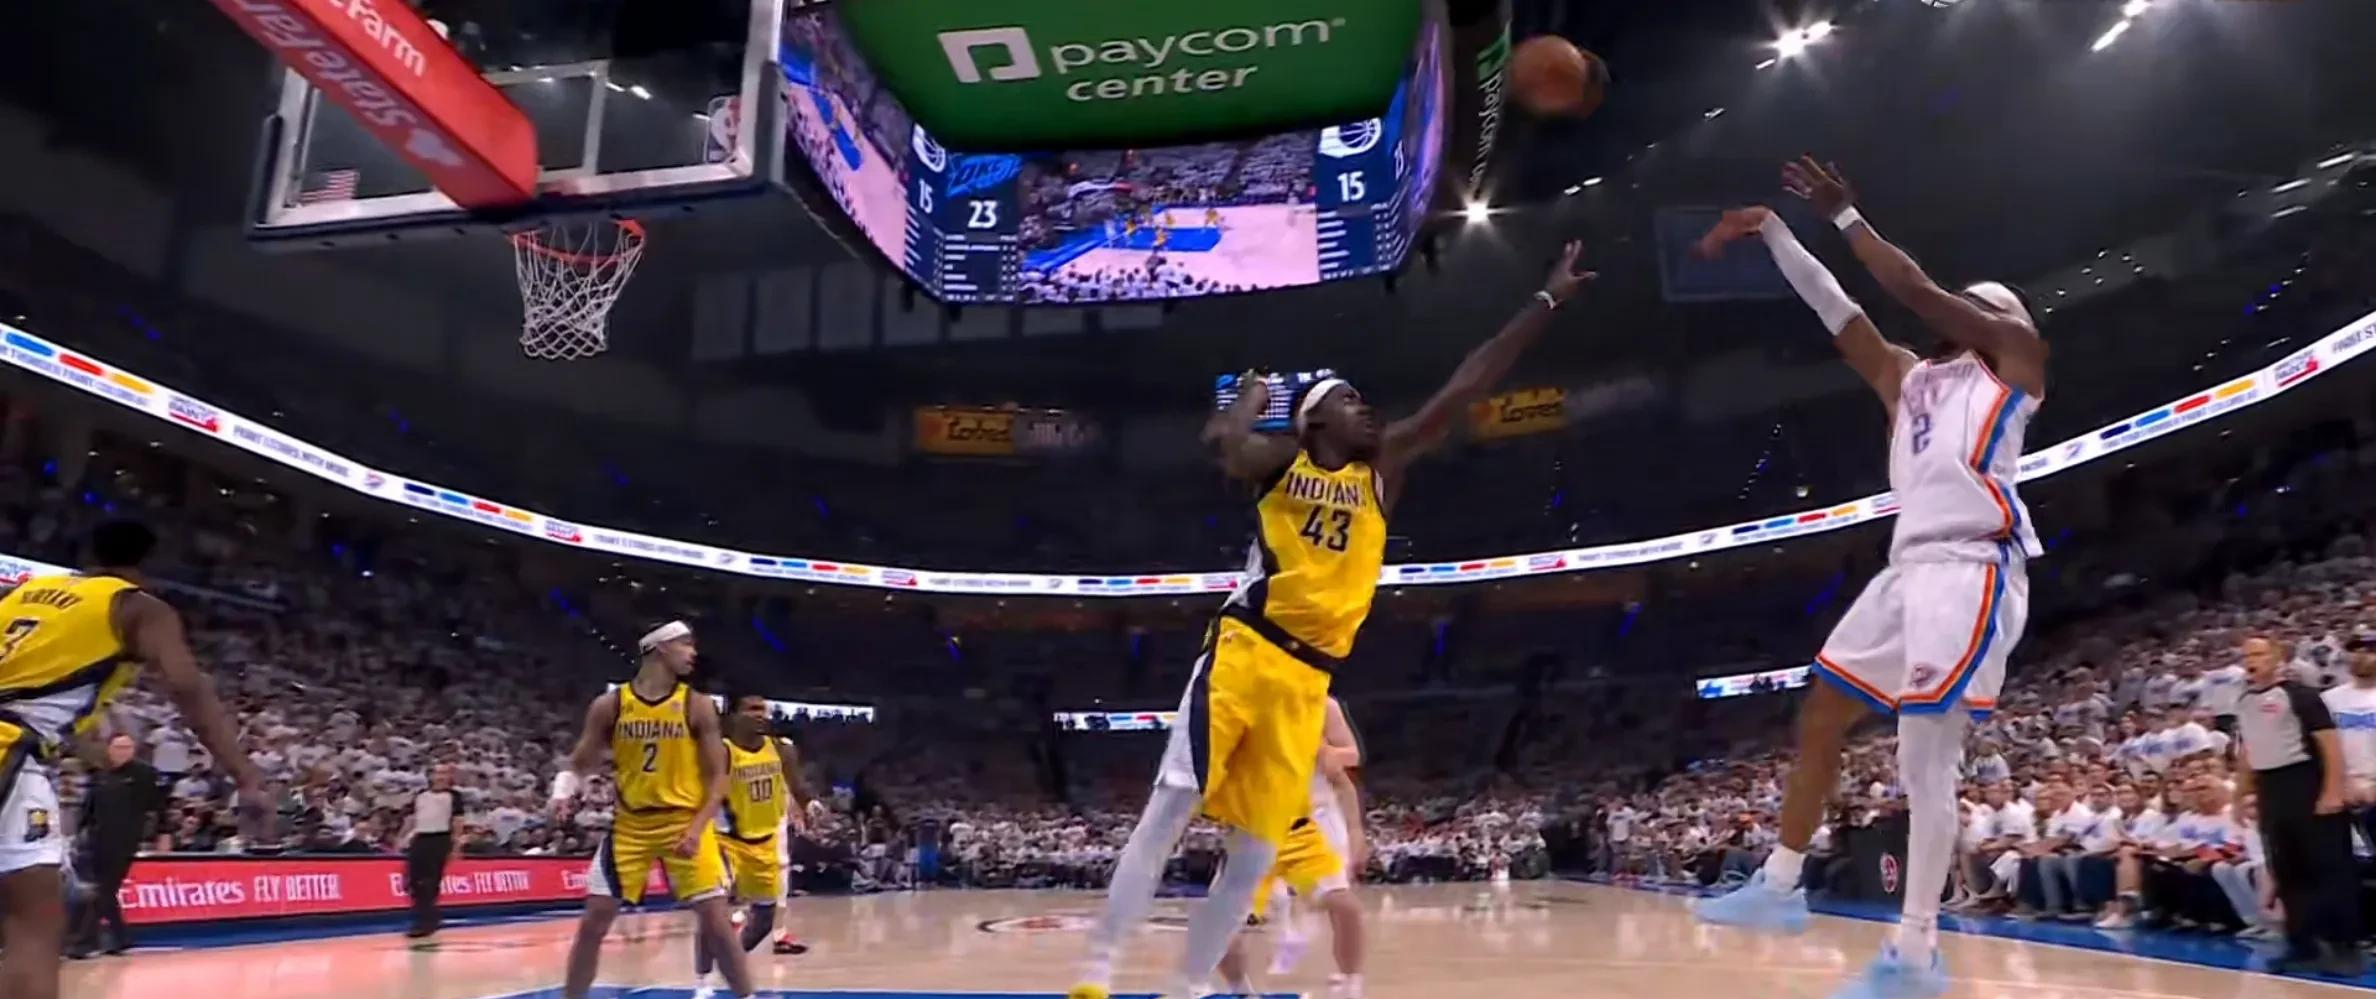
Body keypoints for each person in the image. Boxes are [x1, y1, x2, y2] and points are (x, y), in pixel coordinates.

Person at [1068, 242, 1598, 999]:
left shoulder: (1382, 471)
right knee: (1172, 806)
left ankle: (1185, 989)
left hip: (1307, 683)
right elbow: (1221, 443)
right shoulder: (1282, 464)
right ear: (1315, 421)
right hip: (1247, 652)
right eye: (1349, 400)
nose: (1366, 408)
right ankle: (1096, 973)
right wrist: (1249, 398)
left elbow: (1466, 386)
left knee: (1255, 856)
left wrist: (1544, 302)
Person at [1691, 157, 2049, 999]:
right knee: (1822, 709)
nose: (1965, 315)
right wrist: (1773, 231)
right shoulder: (1908, 379)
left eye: (1981, 308)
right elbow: (1836, 309)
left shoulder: (2017, 361)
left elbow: (1917, 290)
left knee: (1925, 754)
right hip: (1906, 570)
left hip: (1972, 565)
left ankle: (1916, 953)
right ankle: (1780, 884)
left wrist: (1846, 216)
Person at [0, 520, 263, 999]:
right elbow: (187, 687)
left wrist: (87, 750)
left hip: (23, 740)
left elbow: (34, 687)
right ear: (145, 566)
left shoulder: (24, 594)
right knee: (34, 923)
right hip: (9, 749)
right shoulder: (137, 607)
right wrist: (245, 776)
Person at [549, 621, 753, 999]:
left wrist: (697, 828)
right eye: (685, 644)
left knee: (716, 921)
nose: (693, 653)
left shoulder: (697, 705)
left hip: (684, 820)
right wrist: (563, 791)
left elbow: (719, 779)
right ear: (660, 648)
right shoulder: (610, 705)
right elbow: (579, 762)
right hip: (630, 825)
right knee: (593, 922)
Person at [1215, 697, 1368, 999]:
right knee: (1220, 923)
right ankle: (1241, 989)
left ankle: (1350, 981)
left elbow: (1347, 769)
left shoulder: (1315, 713)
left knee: (1341, 904)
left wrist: (1355, 831)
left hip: (1310, 825)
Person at [2235, 633, 2363, 976]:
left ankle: (2345, 946)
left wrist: (2332, 790)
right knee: (2288, 870)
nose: (2251, 660)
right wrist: (2240, 794)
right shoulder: (2244, 700)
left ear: (2277, 657)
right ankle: (2302, 944)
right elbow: (2248, 750)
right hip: (2271, 788)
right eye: (2247, 655)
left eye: (2259, 654)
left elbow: (2329, 744)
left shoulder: (2301, 695)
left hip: (2306, 782)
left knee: (2330, 869)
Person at [695, 693, 808, 998]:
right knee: (712, 908)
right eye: (752, 709)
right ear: (734, 715)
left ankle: (729, 959)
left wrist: (809, 804)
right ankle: (703, 983)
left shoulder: (781, 749)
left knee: (765, 919)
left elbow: (798, 785)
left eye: (763, 710)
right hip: (725, 839)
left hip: (765, 842)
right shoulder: (721, 751)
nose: (760, 715)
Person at [67, 733, 162, 957]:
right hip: (96, 841)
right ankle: (121, 938)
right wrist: (77, 835)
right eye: (119, 747)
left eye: (128, 747)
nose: (124, 751)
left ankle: (84, 943)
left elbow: (156, 807)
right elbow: (88, 809)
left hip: (124, 841)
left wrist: (159, 835)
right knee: (102, 891)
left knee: (104, 890)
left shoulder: (144, 774)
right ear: (109, 749)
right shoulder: (100, 776)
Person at [398, 763, 461, 939]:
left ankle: (426, 921)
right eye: (438, 773)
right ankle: (428, 915)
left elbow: (458, 820)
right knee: (412, 880)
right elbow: (412, 817)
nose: (441, 777)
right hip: (420, 837)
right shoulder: (420, 795)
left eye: (445, 773)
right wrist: (402, 836)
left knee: (429, 881)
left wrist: (455, 845)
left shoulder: (453, 796)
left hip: (440, 838)